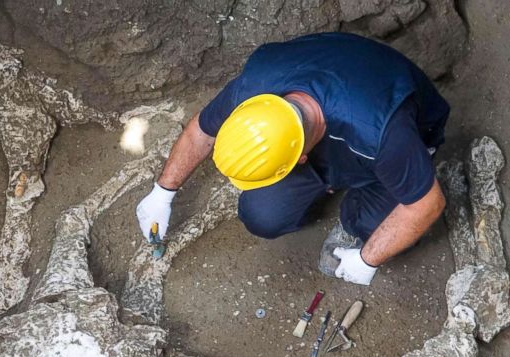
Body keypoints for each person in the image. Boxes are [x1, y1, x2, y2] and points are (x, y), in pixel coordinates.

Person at [135, 32, 450, 286]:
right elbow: (201, 132)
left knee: (374, 224)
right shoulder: (254, 90)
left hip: (389, 123)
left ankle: (356, 215)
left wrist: (368, 259)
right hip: (337, 105)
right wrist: (163, 192)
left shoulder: (381, 133)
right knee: (263, 214)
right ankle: (327, 188)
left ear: (300, 159)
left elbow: (426, 204)